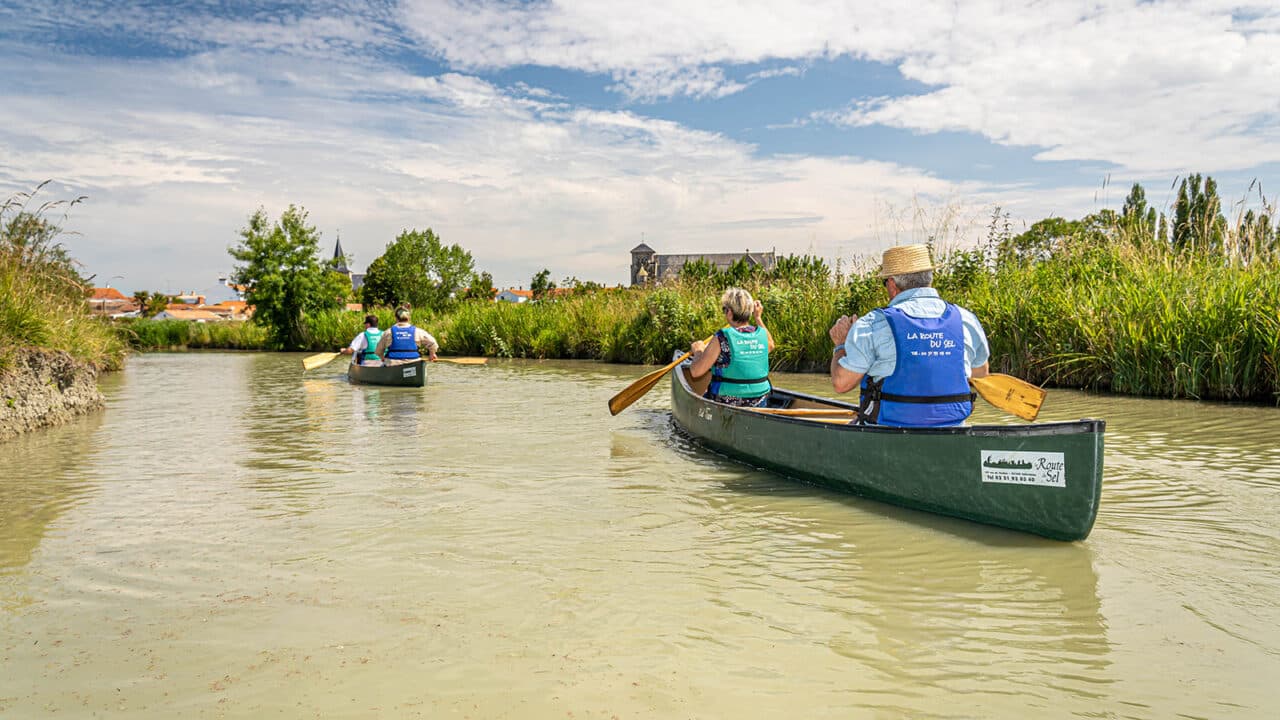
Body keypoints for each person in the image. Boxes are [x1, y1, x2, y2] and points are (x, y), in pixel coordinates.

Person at [828, 244, 990, 427]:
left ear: (891, 284)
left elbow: (841, 384)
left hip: (887, 431)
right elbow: (981, 374)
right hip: (951, 432)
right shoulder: (966, 319)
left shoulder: (872, 324)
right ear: (929, 279)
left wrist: (841, 345)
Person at [688, 287, 775, 407]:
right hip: (760, 401)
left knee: (702, 396)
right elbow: (771, 345)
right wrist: (758, 317)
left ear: (729, 312)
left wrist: (698, 351)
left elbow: (695, 372)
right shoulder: (762, 334)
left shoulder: (722, 337)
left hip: (727, 402)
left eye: (724, 310)